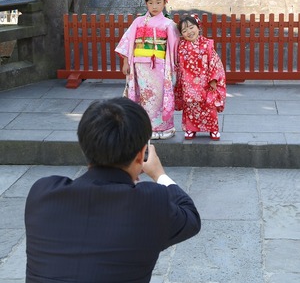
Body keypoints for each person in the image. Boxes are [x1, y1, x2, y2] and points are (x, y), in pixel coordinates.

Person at [25, 97, 201, 283]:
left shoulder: (42, 194)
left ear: (84, 145)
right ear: (141, 154)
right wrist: (159, 174)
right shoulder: (150, 203)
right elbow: (190, 217)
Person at [115, 0, 180, 140]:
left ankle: (162, 128)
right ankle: (143, 127)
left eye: (158, 2)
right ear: (146, 4)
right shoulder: (138, 22)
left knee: (157, 97)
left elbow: (174, 47)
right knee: (142, 96)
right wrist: (126, 62)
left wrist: (172, 68)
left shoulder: (169, 24)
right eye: (150, 2)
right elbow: (127, 42)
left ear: (165, 2)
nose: (155, 6)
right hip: (139, 67)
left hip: (158, 67)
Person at [174, 14, 226, 140]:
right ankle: (191, 129)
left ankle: (213, 129)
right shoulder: (181, 47)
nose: (189, 32)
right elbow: (177, 64)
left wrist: (214, 79)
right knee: (190, 107)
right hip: (188, 82)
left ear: (198, 27)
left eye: (191, 28)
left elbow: (215, 62)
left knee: (209, 106)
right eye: (184, 30)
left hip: (206, 82)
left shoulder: (207, 44)